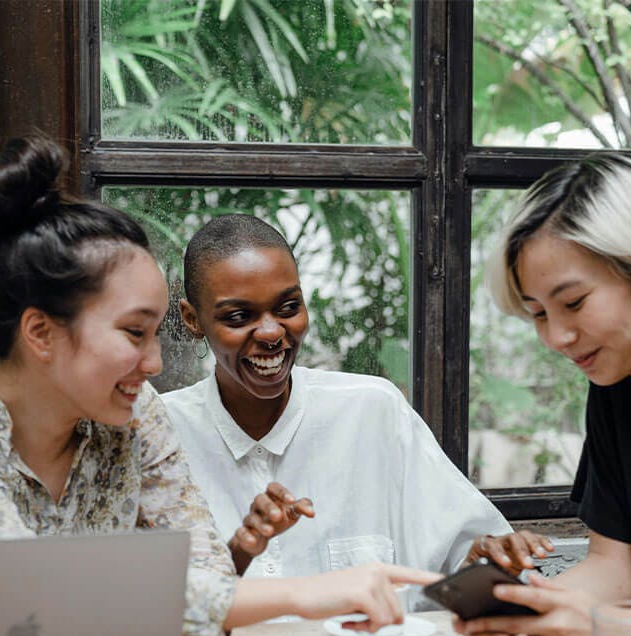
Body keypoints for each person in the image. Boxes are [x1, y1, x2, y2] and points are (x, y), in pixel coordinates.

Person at [0, 137, 442, 636]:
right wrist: (308, 593)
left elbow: (206, 582)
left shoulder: (132, 419)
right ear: (40, 333)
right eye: (133, 333)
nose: (153, 364)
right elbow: (25, 599)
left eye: (155, 335)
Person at [161, 214, 535, 593]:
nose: (272, 332)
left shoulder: (373, 411)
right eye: (239, 316)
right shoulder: (162, 435)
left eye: (289, 307)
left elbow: (461, 554)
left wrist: (486, 560)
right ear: (192, 319)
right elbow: (155, 607)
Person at [456, 152, 631, 636]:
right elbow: (617, 564)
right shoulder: (616, 384)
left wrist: (620, 634)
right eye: (538, 313)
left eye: (575, 302)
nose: (557, 338)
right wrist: (529, 615)